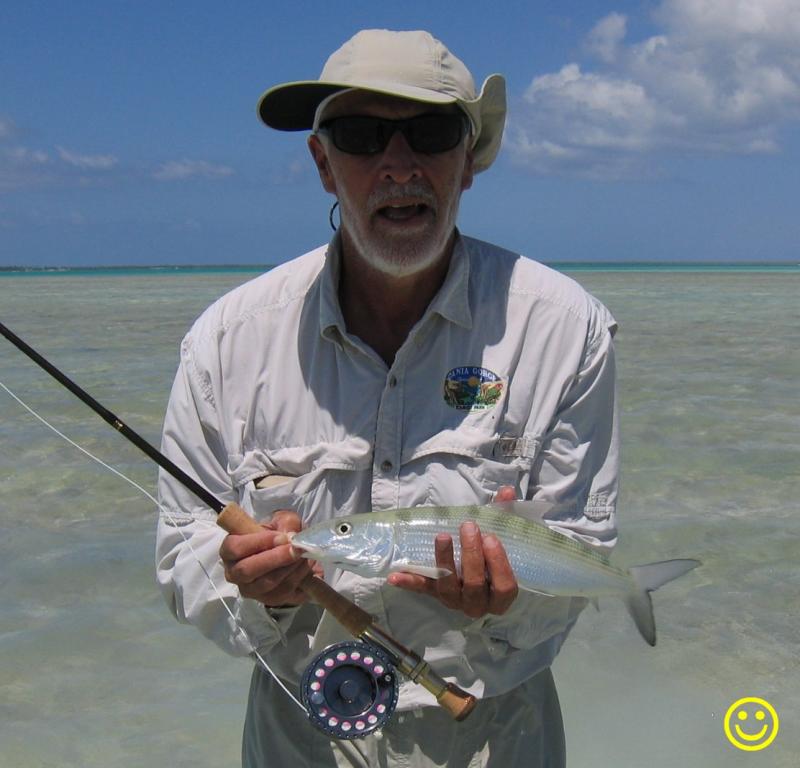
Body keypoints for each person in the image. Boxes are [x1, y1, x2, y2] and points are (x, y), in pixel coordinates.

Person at [156, 29, 619, 768]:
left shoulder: (566, 330)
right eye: (362, 136)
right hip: (299, 739)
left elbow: (581, 553)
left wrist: (512, 604)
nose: (398, 166)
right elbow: (182, 559)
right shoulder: (224, 342)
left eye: (431, 134)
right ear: (322, 163)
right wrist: (259, 588)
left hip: (500, 737)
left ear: (468, 161)